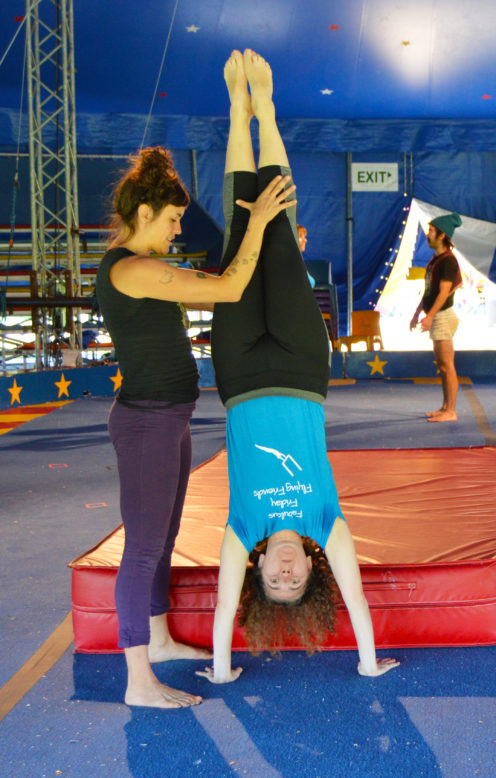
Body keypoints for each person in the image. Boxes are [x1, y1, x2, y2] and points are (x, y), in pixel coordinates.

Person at [197, 50, 398, 683]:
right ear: (312, 567)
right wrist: (367, 665)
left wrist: (224, 672)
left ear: (258, 570)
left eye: (273, 581)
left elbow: (225, 606)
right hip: (302, 371)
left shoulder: (242, 528)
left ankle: (237, 109)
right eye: (296, 580)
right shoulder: (325, 523)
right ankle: (267, 107)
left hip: (237, 376)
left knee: (239, 230)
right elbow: (358, 598)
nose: (284, 573)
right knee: (276, 228)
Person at [97, 140, 285, 706]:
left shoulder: (141, 266)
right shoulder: (132, 269)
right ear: (145, 214)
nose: (177, 229)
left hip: (168, 418)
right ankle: (137, 682)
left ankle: (156, 642)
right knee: (144, 548)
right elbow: (228, 289)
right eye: (174, 219)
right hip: (148, 423)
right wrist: (257, 222)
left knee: (163, 540)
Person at [408, 213, 463, 422]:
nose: (428, 234)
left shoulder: (448, 261)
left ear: (441, 236)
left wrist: (429, 316)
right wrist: (417, 312)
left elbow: (442, 292)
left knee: (447, 365)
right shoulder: (436, 260)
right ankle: (445, 406)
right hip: (437, 316)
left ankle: (451, 411)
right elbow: (429, 290)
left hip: (443, 317)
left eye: (431, 231)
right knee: (442, 365)